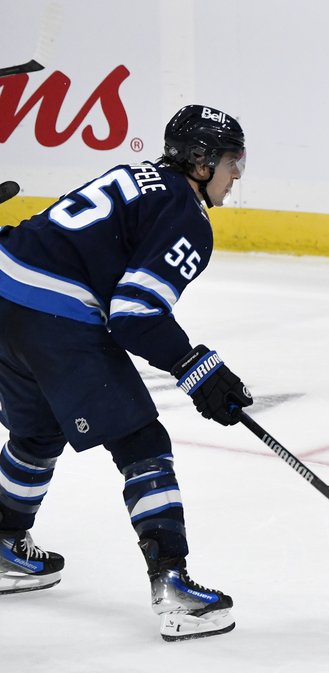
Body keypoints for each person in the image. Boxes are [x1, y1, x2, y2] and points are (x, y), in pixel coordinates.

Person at [0, 105, 254, 641]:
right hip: (53, 313)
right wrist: (197, 368)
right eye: (234, 162)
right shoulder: (187, 217)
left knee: (37, 431)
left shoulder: (136, 175)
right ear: (203, 164)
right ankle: (174, 589)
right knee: (142, 442)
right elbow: (134, 315)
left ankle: (3, 544)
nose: (238, 176)